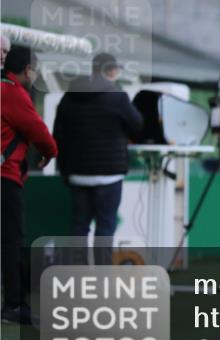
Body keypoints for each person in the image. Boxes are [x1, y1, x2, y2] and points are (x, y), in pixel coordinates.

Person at [53, 53, 143, 262]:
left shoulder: (69, 97)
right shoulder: (117, 97)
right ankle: (102, 282)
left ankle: (79, 279)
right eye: (115, 70)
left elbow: (58, 136)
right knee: (105, 227)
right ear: (109, 71)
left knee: (79, 225)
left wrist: (65, 171)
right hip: (109, 175)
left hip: (77, 174)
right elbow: (137, 126)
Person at [1, 45, 58, 324]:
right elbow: (39, 131)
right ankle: (13, 305)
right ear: (27, 69)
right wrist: (51, 153)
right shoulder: (13, 93)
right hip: (5, 178)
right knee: (11, 241)